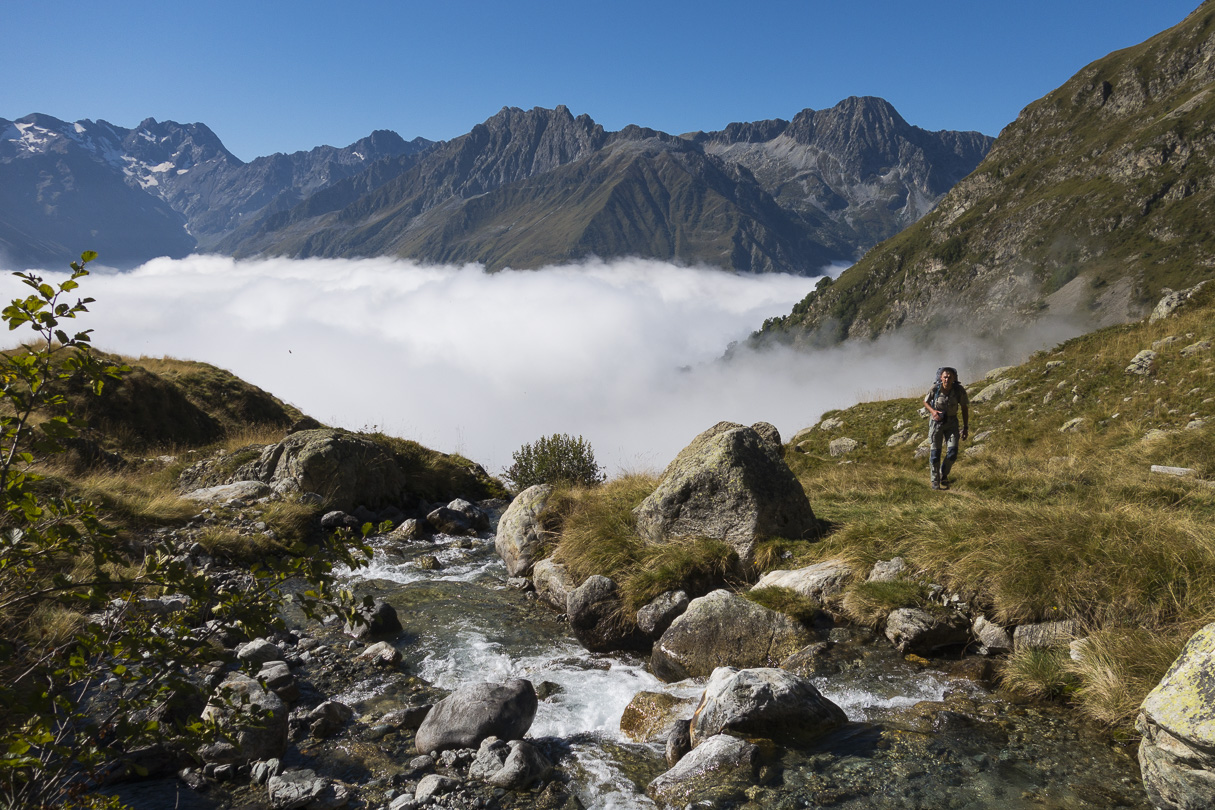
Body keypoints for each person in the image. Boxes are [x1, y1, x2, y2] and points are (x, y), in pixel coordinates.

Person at [924, 367, 969, 490]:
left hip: (952, 423)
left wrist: (965, 428)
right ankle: (935, 481)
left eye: (950, 377)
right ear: (941, 377)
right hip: (936, 423)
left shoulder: (959, 390)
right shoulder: (935, 388)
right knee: (935, 453)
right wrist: (933, 412)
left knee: (953, 452)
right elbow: (925, 402)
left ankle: (944, 474)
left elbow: (964, 408)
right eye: (945, 376)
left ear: (954, 378)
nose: (947, 379)